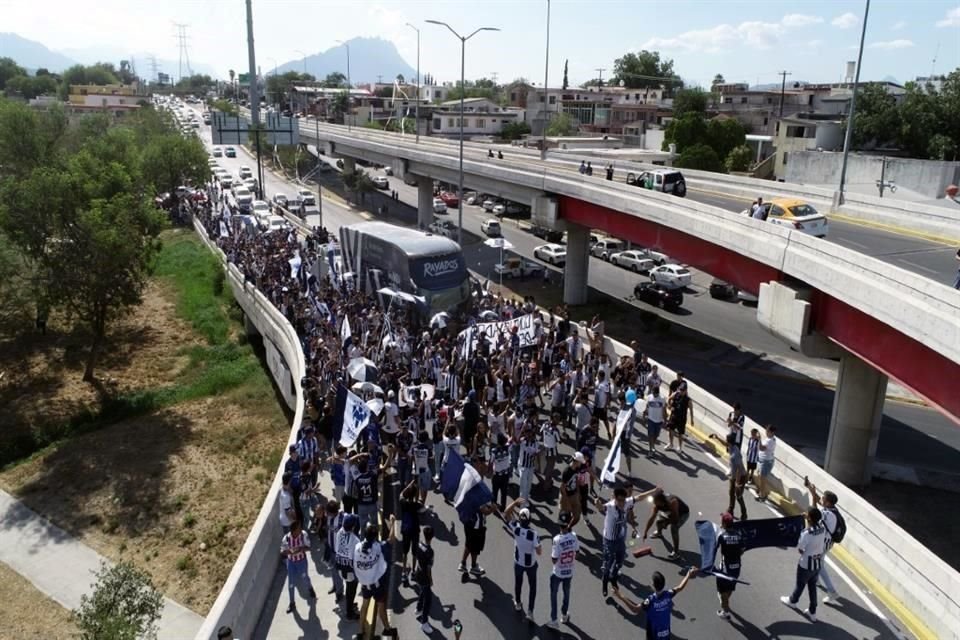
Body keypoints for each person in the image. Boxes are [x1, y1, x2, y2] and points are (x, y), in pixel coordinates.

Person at [594, 486, 650, 597]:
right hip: (609, 541)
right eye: (619, 500)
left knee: (619, 562)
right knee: (607, 564)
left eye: (623, 500)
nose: (621, 503)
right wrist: (597, 503)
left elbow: (640, 497)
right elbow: (601, 508)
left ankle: (613, 578)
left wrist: (654, 491)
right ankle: (605, 582)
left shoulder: (627, 503)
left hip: (620, 540)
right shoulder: (610, 507)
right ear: (614, 498)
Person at [613, 568, 698, 639]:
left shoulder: (650, 600)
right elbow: (680, 587)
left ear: (653, 584)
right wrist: (688, 574)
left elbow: (635, 609)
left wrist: (620, 596)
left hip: (653, 634)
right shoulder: (668, 595)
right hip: (665, 634)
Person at [780, 507, 828, 622]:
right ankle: (812, 611)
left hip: (806, 564)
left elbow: (801, 550)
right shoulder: (822, 528)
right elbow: (815, 524)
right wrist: (808, 518)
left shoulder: (806, 533)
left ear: (810, 518)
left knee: (800, 584)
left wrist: (806, 523)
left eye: (807, 514)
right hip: (817, 563)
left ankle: (792, 601)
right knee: (812, 588)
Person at [354, 518, 397, 637]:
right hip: (377, 585)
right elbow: (391, 540)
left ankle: (360, 631)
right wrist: (393, 524)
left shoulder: (357, 547)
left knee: (365, 605)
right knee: (381, 607)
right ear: (375, 536)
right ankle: (387, 629)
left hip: (365, 584)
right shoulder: (379, 548)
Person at [806, 479, 843, 603]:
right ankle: (817, 580)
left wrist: (812, 496)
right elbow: (819, 505)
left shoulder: (827, 514)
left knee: (819, 564)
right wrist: (812, 492)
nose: (821, 500)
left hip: (824, 542)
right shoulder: (833, 510)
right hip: (828, 542)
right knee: (819, 561)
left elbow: (814, 514)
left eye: (823, 499)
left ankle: (832, 591)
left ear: (828, 502)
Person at [504, 497, 541, 619]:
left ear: (520, 519)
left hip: (518, 562)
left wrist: (514, 503)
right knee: (533, 587)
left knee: (518, 583)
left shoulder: (516, 528)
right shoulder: (533, 534)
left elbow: (506, 513)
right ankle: (530, 611)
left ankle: (518, 603)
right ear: (530, 520)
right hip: (531, 565)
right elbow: (539, 552)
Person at [548, 511, 579, 628]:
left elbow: (554, 559)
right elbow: (577, 553)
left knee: (553, 595)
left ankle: (554, 620)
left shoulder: (557, 539)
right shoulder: (574, 536)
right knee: (566, 593)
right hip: (569, 571)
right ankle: (564, 615)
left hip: (558, 573)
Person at [281, 519, 317, 613]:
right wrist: (288, 552)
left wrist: (300, 549)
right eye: (298, 529)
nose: (300, 530)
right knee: (291, 583)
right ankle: (292, 603)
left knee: (304, 578)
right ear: (293, 531)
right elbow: (282, 551)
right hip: (291, 563)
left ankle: (310, 588)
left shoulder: (303, 535)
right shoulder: (287, 538)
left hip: (302, 561)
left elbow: (309, 547)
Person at [643, 489, 690, 560]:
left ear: (660, 500)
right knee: (659, 521)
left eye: (655, 501)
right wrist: (645, 532)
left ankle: (676, 552)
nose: (653, 503)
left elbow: (676, 519)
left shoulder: (672, 502)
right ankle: (659, 533)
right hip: (670, 512)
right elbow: (652, 518)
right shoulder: (657, 505)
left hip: (682, 514)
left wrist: (666, 523)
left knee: (674, 528)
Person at [715, 512, 744, 619]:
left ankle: (725, 611)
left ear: (724, 523)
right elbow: (742, 550)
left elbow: (714, 548)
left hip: (725, 569)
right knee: (730, 587)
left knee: (721, 591)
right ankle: (725, 601)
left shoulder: (722, 536)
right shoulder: (739, 536)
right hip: (736, 567)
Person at [334, 514, 361, 620]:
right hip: (350, 571)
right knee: (351, 590)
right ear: (353, 526)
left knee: (348, 589)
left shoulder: (340, 532)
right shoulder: (355, 540)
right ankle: (349, 612)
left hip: (340, 567)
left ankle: (350, 605)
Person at [460, 503, 495, 575]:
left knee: (469, 544)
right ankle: (473, 567)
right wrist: (493, 508)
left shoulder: (467, 494)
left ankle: (463, 563)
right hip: (477, 527)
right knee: (475, 548)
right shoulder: (478, 497)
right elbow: (485, 512)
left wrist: (488, 506)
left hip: (468, 524)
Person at [414, 525, 436, 633]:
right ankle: (424, 622)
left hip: (417, 573)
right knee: (428, 600)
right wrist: (430, 579)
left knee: (423, 591)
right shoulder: (430, 551)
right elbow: (428, 568)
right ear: (432, 537)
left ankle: (418, 609)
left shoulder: (419, 544)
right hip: (424, 577)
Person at [665, 385, 693, 454]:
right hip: (673, 416)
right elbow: (669, 399)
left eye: (682, 390)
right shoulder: (676, 394)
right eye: (680, 390)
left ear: (686, 391)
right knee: (670, 429)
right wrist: (669, 406)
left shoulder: (688, 400)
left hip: (682, 418)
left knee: (680, 433)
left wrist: (692, 419)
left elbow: (691, 410)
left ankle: (680, 447)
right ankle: (671, 444)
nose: (681, 391)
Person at [642, 385, 666, 457]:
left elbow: (664, 410)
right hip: (651, 420)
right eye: (654, 393)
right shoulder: (649, 397)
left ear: (658, 393)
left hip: (659, 421)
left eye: (656, 394)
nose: (655, 395)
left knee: (656, 435)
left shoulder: (662, 399)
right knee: (650, 435)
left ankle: (652, 445)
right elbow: (646, 407)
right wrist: (644, 415)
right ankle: (650, 450)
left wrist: (665, 420)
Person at [756, 425, 777, 501]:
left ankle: (762, 495)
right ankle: (763, 491)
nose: (766, 432)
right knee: (761, 478)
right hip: (763, 460)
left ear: (771, 432)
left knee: (762, 480)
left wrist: (759, 439)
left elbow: (761, 448)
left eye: (767, 431)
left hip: (765, 462)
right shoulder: (770, 439)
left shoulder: (770, 441)